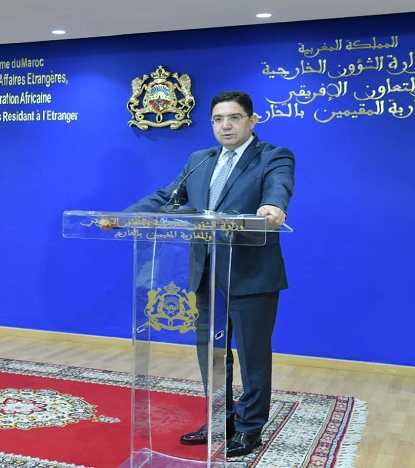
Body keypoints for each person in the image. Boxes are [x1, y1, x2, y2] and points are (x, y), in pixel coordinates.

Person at [123, 90, 294, 457]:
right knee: (212, 355)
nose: (225, 125)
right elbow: (167, 197)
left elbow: (278, 186)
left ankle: (249, 428)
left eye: (234, 118)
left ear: (252, 120)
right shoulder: (200, 159)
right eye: (218, 119)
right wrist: (124, 217)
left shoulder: (273, 156)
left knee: (252, 356)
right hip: (206, 274)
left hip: (251, 275)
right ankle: (220, 418)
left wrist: (273, 206)